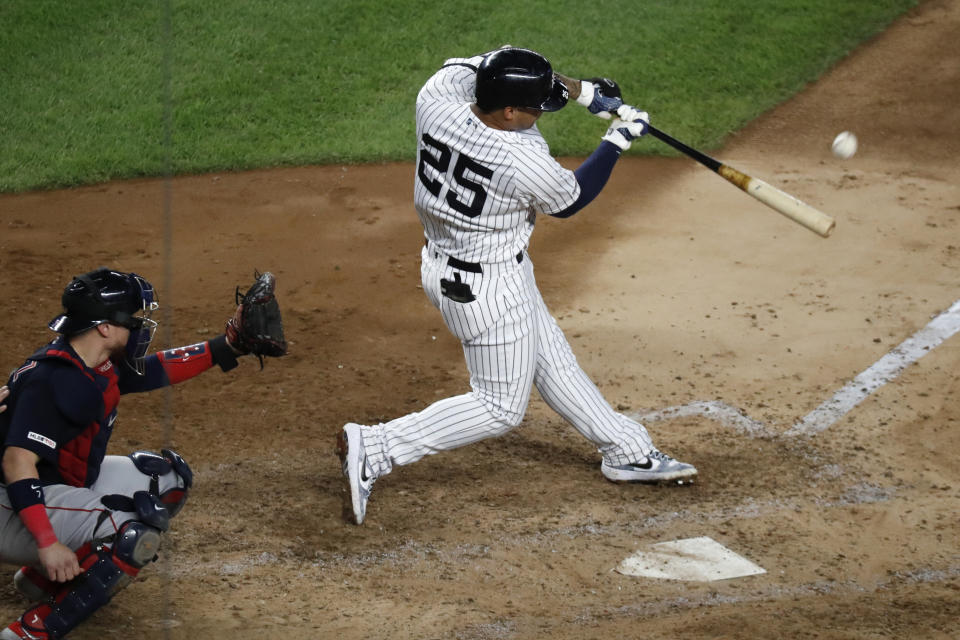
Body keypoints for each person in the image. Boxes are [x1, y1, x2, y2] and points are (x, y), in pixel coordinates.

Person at [337, 46, 697, 526]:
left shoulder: (437, 97)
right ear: (509, 112)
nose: (540, 113)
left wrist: (584, 92)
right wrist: (618, 137)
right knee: (500, 407)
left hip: (460, 261)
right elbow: (571, 200)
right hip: (484, 287)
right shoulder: (520, 160)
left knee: (549, 354)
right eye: (534, 108)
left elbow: (489, 60)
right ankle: (378, 448)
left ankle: (625, 448)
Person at [0, 267, 285, 639]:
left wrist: (225, 347)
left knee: (164, 479)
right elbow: (17, 461)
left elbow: (152, 370)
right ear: (104, 326)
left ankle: (40, 579)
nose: (139, 327)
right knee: (131, 532)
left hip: (51, 486)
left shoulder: (91, 361)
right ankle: (34, 628)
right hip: (9, 506)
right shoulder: (55, 381)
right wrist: (48, 543)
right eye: (132, 319)